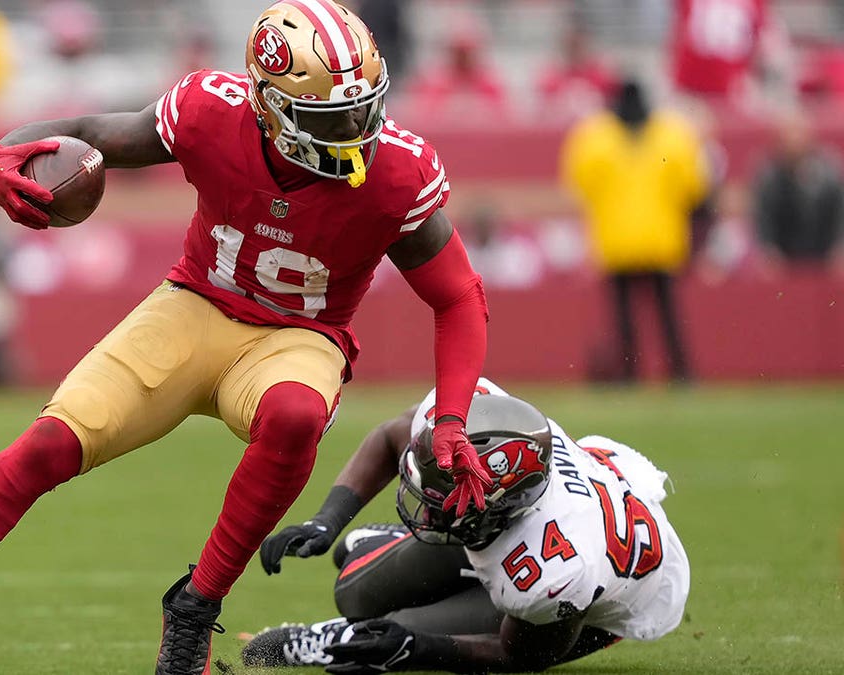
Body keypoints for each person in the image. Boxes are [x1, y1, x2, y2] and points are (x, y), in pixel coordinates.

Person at [0, 2, 492, 674]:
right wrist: (3, 150)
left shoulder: (398, 171)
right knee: (49, 442)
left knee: (295, 415)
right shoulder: (209, 111)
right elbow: (91, 131)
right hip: (193, 307)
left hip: (301, 333)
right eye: (330, 116)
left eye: (363, 106)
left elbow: (457, 294)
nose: (357, 129)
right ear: (268, 106)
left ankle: (196, 605)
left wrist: (453, 419)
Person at [243, 378, 689, 673]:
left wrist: (412, 648)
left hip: (597, 602)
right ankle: (397, 550)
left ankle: (341, 633)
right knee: (354, 592)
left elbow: (516, 655)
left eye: (440, 502)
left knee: (390, 629)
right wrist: (328, 520)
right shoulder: (484, 424)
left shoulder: (558, 572)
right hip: (508, 526)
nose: (424, 507)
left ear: (496, 507)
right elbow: (391, 434)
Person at [561, 78, 709, 383]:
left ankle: (629, 374)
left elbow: (578, 184)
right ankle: (680, 372)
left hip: (616, 240)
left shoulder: (593, 137)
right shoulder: (674, 135)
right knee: (667, 314)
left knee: (624, 317)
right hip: (661, 238)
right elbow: (695, 187)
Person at [751, 108, 844, 272]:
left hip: (822, 255)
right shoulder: (769, 175)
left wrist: (839, 247)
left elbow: (839, 211)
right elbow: (762, 216)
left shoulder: (829, 171)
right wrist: (768, 249)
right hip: (785, 257)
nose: (794, 141)